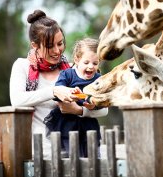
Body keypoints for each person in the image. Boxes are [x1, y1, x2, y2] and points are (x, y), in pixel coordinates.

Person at [9, 9, 108, 159]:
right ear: (35, 45)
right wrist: (54, 91)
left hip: (78, 150)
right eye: (50, 46)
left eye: (60, 43)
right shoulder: (23, 66)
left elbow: (103, 109)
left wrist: (78, 110)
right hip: (44, 152)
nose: (57, 51)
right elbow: (17, 100)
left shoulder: (72, 70)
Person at [44, 38, 106, 157]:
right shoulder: (67, 74)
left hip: (88, 124)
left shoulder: (99, 79)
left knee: (93, 155)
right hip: (68, 122)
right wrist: (70, 93)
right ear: (77, 60)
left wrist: (94, 106)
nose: (91, 67)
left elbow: (103, 101)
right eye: (86, 62)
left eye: (95, 63)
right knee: (73, 155)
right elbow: (59, 90)